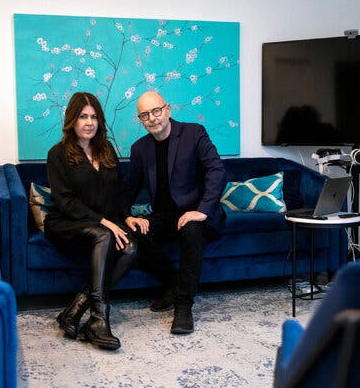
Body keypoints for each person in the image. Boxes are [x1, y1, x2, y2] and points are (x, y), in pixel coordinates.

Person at [44, 92, 147, 350]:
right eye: (83, 117)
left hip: (102, 224)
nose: (89, 122)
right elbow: (66, 201)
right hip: (66, 223)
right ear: (72, 120)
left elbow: (119, 191)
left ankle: (78, 306)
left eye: (94, 117)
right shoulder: (57, 154)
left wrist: (126, 216)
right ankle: (99, 320)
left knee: (131, 246)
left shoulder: (107, 149)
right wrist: (106, 222)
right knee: (106, 235)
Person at [125, 91, 226, 335]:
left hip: (195, 215)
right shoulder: (140, 148)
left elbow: (217, 171)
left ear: (167, 110)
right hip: (164, 217)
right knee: (134, 230)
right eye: (145, 115)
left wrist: (202, 211)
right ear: (141, 119)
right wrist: (126, 216)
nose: (152, 118)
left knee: (191, 231)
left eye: (156, 111)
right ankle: (173, 284)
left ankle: (183, 307)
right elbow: (128, 188)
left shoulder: (194, 133)